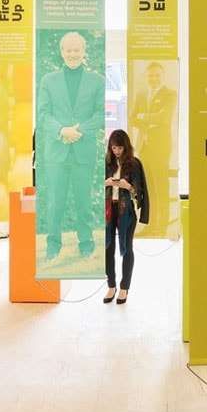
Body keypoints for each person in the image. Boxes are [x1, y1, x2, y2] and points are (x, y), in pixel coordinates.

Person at [37, 31, 106, 261]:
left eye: (77, 50)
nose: (73, 54)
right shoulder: (48, 80)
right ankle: (52, 246)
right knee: (55, 202)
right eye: (69, 50)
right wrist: (61, 131)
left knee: (84, 202)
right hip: (57, 153)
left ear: (83, 51)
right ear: (62, 52)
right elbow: (43, 115)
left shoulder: (97, 81)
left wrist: (79, 130)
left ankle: (86, 244)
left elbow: (100, 114)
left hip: (83, 151)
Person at [129, 61, 177, 235]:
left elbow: (164, 118)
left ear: (162, 76)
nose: (154, 78)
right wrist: (149, 119)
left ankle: (161, 226)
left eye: (157, 75)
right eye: (151, 75)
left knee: (160, 186)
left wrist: (144, 117)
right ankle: (150, 224)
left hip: (160, 147)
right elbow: (133, 117)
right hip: (144, 147)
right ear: (146, 77)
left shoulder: (170, 94)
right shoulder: (141, 94)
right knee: (148, 188)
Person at [103, 130, 148, 304]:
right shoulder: (106, 163)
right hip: (108, 211)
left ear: (126, 147)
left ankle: (124, 288)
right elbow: (93, 186)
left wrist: (127, 186)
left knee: (127, 248)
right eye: (114, 147)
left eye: (120, 147)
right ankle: (111, 286)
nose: (117, 151)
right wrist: (105, 182)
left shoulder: (134, 164)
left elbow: (139, 191)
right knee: (108, 247)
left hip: (126, 212)